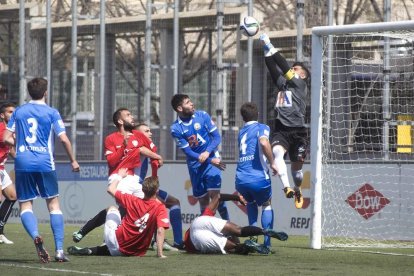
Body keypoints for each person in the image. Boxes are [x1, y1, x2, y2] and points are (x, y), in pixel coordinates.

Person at [3, 77, 80, 263]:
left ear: (29, 92)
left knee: (26, 205)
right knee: (53, 205)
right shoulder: (52, 112)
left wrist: (20, 144)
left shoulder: (19, 111)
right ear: (45, 92)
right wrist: (73, 161)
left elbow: (6, 138)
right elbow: (63, 139)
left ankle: (36, 235)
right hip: (45, 162)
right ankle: (60, 250)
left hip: (22, 162)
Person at [71, 108, 162, 243]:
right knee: (126, 210)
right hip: (118, 178)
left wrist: (156, 161)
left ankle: (154, 241)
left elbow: (149, 151)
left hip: (134, 180)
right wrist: (123, 147)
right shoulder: (111, 139)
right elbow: (112, 162)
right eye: (128, 115)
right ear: (120, 121)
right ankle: (111, 238)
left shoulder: (138, 135)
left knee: (154, 205)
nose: (132, 117)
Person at [67, 169, 170, 258]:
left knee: (111, 208)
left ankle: (82, 232)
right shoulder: (160, 208)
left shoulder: (132, 200)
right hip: (135, 252)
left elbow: (110, 189)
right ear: (157, 190)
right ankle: (89, 250)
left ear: (142, 189)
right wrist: (159, 254)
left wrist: (119, 176)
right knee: (117, 248)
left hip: (116, 242)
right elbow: (160, 230)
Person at [259, 33, 310, 209]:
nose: (292, 70)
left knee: (297, 170)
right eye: (292, 68)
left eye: (296, 69)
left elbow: (281, 64)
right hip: (281, 129)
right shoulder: (283, 84)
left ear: (302, 76)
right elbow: (273, 68)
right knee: (277, 153)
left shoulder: (300, 85)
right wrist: (266, 51)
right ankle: (286, 187)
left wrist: (270, 44)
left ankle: (296, 188)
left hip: (298, 131)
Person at [170, 94, 229, 220]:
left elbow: (216, 137)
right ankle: (204, 231)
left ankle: (229, 230)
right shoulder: (176, 128)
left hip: (212, 162)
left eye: (191, 101)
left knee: (215, 196)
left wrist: (208, 153)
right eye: (188, 102)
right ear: (180, 108)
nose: (192, 104)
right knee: (203, 201)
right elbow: (188, 152)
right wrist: (207, 158)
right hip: (195, 166)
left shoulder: (202, 116)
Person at [183, 193, 288, 255]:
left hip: (195, 234)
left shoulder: (206, 218)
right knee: (239, 230)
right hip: (199, 226)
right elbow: (218, 196)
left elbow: (218, 197)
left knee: (234, 247)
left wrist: (237, 198)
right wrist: (237, 198)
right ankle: (263, 231)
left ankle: (246, 245)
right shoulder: (207, 216)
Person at [235, 102, 278, 250]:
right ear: (258, 114)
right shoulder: (262, 127)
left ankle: (253, 238)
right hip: (258, 176)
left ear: (243, 118)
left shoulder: (241, 132)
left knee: (251, 203)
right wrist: (272, 162)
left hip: (240, 179)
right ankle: (266, 244)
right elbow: (264, 143)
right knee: (266, 204)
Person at [136, 123, 184, 249]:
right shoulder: (137, 145)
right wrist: (157, 156)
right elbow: (141, 150)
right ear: (139, 134)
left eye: (150, 130)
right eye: (147, 131)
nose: (150, 133)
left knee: (174, 202)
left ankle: (179, 242)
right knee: (159, 207)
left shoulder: (147, 147)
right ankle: (156, 241)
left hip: (144, 186)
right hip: (135, 187)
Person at [0, 103, 17, 244]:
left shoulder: (10, 130)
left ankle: (0, 232)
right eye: (10, 112)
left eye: (14, 112)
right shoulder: (1, 129)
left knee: (12, 196)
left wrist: (20, 159)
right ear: (2, 115)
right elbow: (9, 141)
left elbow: (10, 148)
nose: (13, 114)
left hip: (1, 168)